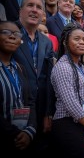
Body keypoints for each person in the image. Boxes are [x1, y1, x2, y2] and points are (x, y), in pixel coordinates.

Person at [13, 0, 55, 157]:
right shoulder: (9, 34)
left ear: (43, 15)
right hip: (15, 108)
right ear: (20, 10)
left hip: (40, 108)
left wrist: (47, 113)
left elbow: (49, 79)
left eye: (39, 7)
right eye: (30, 5)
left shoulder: (46, 42)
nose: (34, 10)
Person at [50, 24, 84, 157]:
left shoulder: (81, 67)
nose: (82, 42)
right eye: (77, 39)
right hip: (68, 125)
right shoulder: (63, 67)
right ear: (65, 42)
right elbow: (71, 104)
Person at [0, 21, 36, 156]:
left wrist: (29, 131)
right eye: (6, 32)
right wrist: (15, 134)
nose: (12, 36)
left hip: (25, 139)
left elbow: (30, 101)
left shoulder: (20, 68)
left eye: (16, 33)